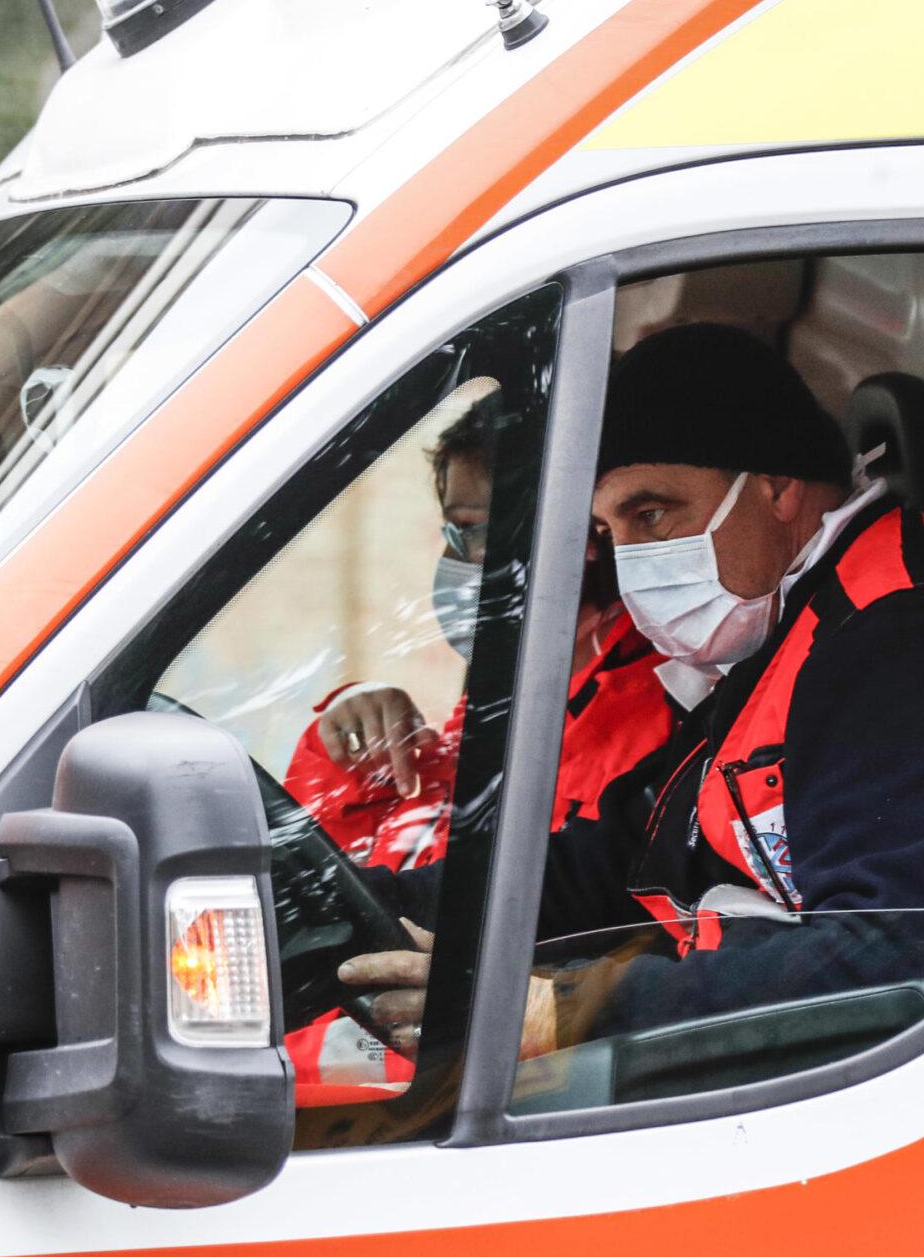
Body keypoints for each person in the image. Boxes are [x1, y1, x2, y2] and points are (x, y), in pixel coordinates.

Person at [340, 322, 924, 1062]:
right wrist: (373, 910)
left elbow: (898, 955)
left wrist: (570, 1010)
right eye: (609, 527)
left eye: (653, 514)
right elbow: (621, 856)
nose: (630, 559)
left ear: (777, 485)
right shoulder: (783, 627)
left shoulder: (916, 634)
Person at [281, 396, 677, 1101]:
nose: (452, 562)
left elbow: (465, 903)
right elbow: (400, 865)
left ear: (573, 539)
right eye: (450, 533)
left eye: (470, 533)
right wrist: (345, 748)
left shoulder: (635, 720)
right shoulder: (526, 683)